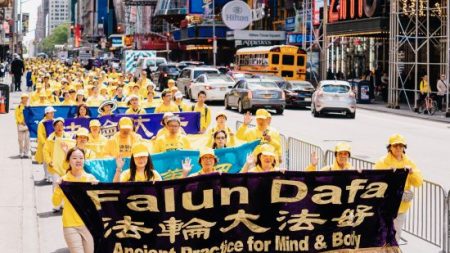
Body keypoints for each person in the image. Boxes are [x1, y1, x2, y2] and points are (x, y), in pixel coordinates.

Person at [374, 134, 423, 242]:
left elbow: (419, 182)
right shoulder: (382, 162)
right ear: (390, 147)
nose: (398, 148)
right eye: (395, 146)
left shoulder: (409, 162)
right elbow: (374, 181)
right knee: (382, 235)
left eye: (401, 146)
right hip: (384, 206)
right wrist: (387, 173)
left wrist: (412, 173)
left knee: (395, 237)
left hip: (401, 207)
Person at [52, 147, 96, 253]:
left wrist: (96, 190)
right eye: (74, 158)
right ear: (68, 161)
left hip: (88, 224)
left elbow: (98, 203)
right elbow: (55, 202)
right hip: (70, 225)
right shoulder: (64, 180)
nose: (78, 160)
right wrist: (58, 188)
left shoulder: (90, 179)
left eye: (81, 158)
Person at [36, 106, 56, 183]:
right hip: (45, 145)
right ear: (46, 114)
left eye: (53, 112)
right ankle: (47, 175)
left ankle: (51, 175)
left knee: (52, 160)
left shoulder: (55, 121)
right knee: (45, 160)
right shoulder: (42, 123)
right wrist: (45, 143)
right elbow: (40, 135)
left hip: (54, 144)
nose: (52, 114)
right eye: (51, 113)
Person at [15, 93, 30, 158]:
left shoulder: (29, 106)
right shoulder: (18, 107)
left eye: (26, 98)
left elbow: (31, 115)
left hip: (27, 125)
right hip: (20, 125)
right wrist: (21, 122)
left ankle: (26, 152)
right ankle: (21, 152)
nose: (25, 99)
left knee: (27, 139)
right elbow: (16, 115)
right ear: (22, 99)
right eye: (24, 98)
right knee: (20, 139)